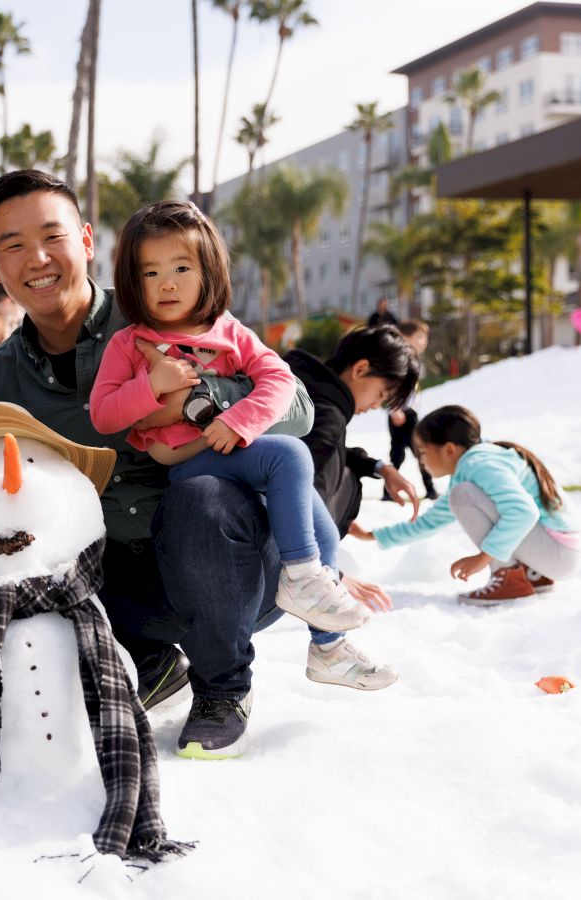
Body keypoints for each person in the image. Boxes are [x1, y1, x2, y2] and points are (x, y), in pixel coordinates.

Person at [0, 170, 323, 760]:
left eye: (51, 236)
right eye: (13, 244)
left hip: (230, 562)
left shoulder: (162, 311)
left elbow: (299, 410)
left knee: (200, 497)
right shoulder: (0, 380)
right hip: (126, 581)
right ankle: (150, 663)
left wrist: (194, 401)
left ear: (86, 241)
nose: (36, 258)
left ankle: (223, 691)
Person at [91, 199, 392, 691]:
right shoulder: (130, 343)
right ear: (132, 280)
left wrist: (239, 419)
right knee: (292, 455)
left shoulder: (227, 330)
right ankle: (299, 576)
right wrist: (154, 383)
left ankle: (328, 648)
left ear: (207, 270)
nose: (167, 283)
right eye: (151, 272)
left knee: (325, 531)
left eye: (182, 267)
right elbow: (104, 414)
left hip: (232, 451)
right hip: (191, 469)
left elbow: (279, 381)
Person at [284, 325, 421, 685]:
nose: (377, 404)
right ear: (360, 370)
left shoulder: (303, 388)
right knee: (324, 485)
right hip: (277, 555)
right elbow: (295, 493)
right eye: (382, 393)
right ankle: (329, 647)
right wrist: (332, 577)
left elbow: (327, 450)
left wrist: (380, 466)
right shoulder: (327, 410)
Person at [355, 405, 581, 604]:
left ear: (448, 450)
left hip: (559, 553)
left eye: (423, 452)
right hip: (559, 553)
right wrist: (371, 535)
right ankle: (531, 574)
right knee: (461, 494)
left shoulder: (479, 465)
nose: (421, 460)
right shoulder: (474, 466)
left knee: (461, 495)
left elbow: (523, 512)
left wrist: (484, 557)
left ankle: (509, 576)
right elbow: (429, 523)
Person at [383, 319, 437, 501]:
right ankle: (390, 491)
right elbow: (391, 386)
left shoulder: (413, 359)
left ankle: (429, 489)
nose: (424, 342)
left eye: (425, 338)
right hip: (400, 413)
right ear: (404, 338)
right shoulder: (401, 359)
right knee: (402, 453)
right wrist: (394, 409)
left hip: (410, 413)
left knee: (416, 451)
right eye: (419, 337)